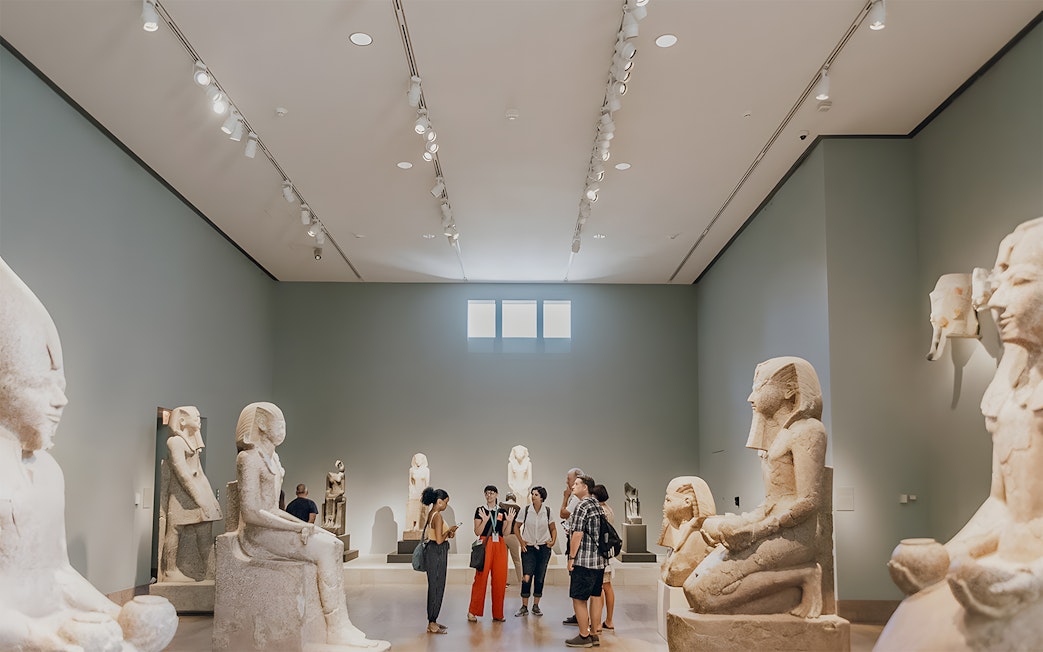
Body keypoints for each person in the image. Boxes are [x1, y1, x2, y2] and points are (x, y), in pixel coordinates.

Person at [0, 256, 178, 652]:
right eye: (41, 385)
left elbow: (57, 572)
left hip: (49, 622)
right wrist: (45, 639)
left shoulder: (48, 472)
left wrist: (118, 617)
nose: (61, 401)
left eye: (61, 385)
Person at [232, 402, 387, 648]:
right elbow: (252, 513)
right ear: (261, 424)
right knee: (325, 549)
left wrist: (309, 526)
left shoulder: (272, 460)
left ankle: (341, 623)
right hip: (257, 535)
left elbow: (273, 509)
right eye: (279, 424)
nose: (284, 428)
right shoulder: (248, 458)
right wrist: (295, 527)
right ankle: (335, 628)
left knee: (334, 544)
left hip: (271, 526)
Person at [683, 357, 827, 618]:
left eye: (760, 387)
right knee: (691, 588)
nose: (751, 397)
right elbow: (772, 502)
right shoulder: (779, 437)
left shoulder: (808, 430)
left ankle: (805, 576)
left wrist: (757, 531)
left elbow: (808, 501)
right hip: (772, 527)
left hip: (797, 536)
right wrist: (742, 523)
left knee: (706, 596)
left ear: (788, 390)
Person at [160, 405, 222, 583]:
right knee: (174, 530)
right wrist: (198, 496)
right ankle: (170, 571)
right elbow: (182, 472)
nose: (198, 419)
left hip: (197, 492)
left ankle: (210, 571)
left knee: (204, 533)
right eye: (195, 416)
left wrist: (208, 498)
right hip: (181, 495)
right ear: (181, 421)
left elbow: (199, 473)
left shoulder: (192, 444)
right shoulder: (175, 442)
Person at [565, 475, 606, 648]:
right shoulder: (596, 504)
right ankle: (594, 634)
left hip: (584, 561)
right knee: (596, 596)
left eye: (576, 484)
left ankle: (584, 635)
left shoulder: (582, 505)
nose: (573, 486)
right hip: (599, 561)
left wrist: (571, 558)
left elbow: (577, 534)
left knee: (578, 598)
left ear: (586, 487)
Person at [468, 484, 516, 622]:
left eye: (492, 493)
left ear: (496, 495)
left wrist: (509, 522)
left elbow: (505, 533)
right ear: (485, 495)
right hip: (485, 543)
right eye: (487, 493)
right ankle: (472, 611)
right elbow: (477, 531)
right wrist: (485, 520)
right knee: (481, 579)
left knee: (500, 580)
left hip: (500, 544)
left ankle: (498, 613)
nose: (489, 495)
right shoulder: (480, 510)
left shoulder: (501, 511)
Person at [514, 485, 556, 617]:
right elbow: (516, 527)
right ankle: (524, 606)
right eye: (532, 494)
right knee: (527, 576)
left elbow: (553, 528)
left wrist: (552, 541)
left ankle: (536, 605)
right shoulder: (525, 510)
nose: (533, 496)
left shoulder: (548, 511)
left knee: (540, 576)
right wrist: (521, 542)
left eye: (536, 494)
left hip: (544, 548)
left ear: (542, 497)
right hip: (529, 548)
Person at [420, 486, 458, 634]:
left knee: (434, 586)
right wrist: (449, 531)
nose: (446, 505)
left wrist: (448, 533)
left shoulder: (431, 513)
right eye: (446, 502)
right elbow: (440, 540)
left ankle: (433, 620)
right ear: (439, 501)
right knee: (437, 587)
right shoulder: (438, 516)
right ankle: (432, 622)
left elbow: (436, 536)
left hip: (432, 551)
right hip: (437, 552)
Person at [560, 466, 584, 626]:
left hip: (576, 542)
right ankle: (581, 616)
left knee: (577, 582)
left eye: (569, 480)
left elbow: (563, 513)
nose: (568, 482)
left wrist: (565, 497)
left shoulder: (575, 499)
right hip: (575, 539)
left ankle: (582, 618)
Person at [592, 484, 616, 634]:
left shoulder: (600, 511)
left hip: (601, 552)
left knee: (600, 587)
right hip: (609, 552)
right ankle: (609, 619)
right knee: (608, 587)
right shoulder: (609, 509)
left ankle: (599, 622)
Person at [503, 492, 523, 584]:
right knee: (517, 560)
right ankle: (521, 580)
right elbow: (519, 523)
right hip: (514, 536)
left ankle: (504, 581)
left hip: (503, 535)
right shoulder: (518, 508)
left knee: (503, 560)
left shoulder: (501, 505)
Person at [323, 459, 346, 530]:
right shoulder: (329, 475)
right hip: (332, 493)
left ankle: (332, 520)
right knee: (327, 499)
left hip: (338, 494)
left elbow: (343, 490)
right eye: (338, 465)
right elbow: (328, 489)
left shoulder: (342, 475)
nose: (340, 466)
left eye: (340, 464)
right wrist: (328, 493)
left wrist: (338, 493)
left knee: (333, 499)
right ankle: (328, 520)